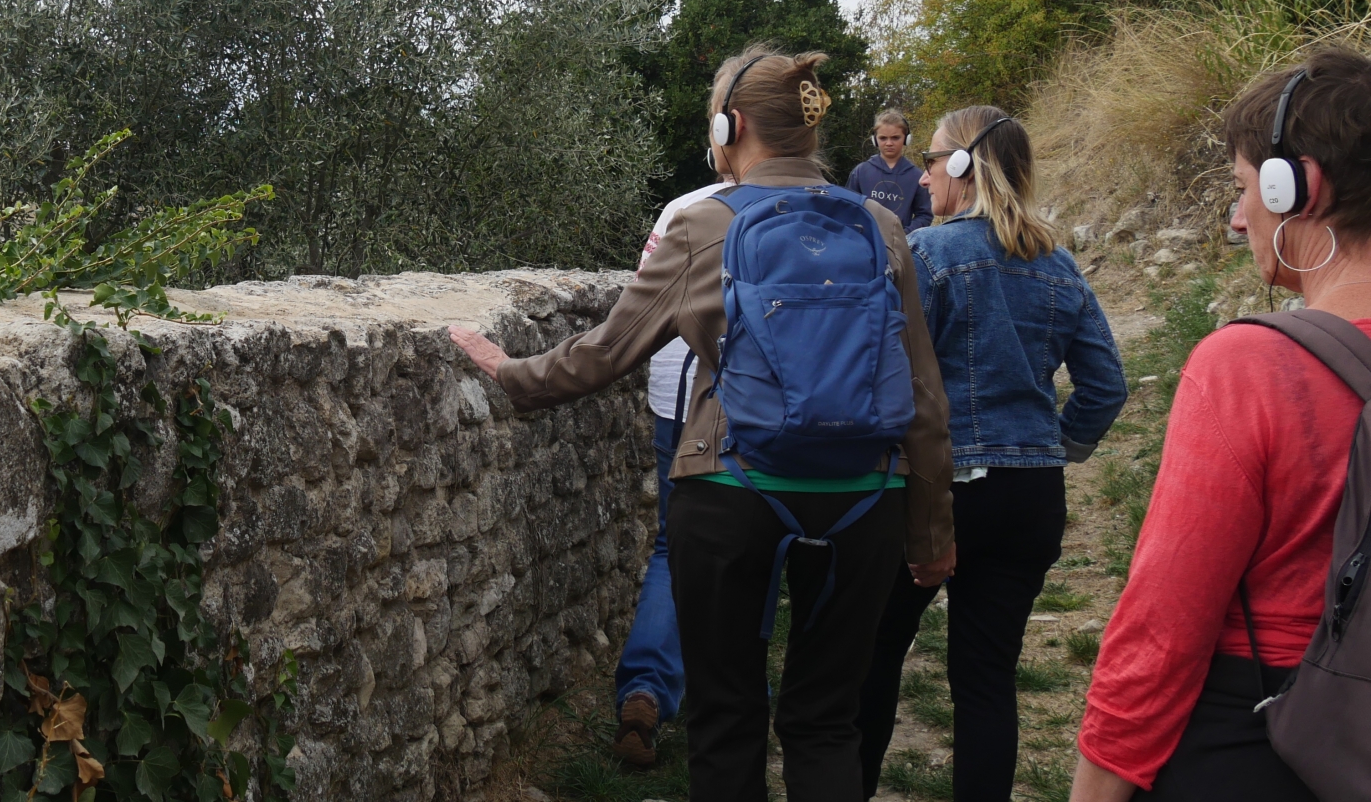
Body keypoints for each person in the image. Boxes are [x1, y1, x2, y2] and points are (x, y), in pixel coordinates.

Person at [451, 46, 956, 802]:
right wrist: (931, 533)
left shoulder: (700, 224)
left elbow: (607, 351)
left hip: (730, 490)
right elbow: (923, 393)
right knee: (827, 722)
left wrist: (509, 372)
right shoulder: (881, 225)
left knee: (726, 717)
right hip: (864, 499)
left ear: (731, 126)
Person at [1074, 47, 1371, 801]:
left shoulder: (1253, 367)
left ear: (1298, 187)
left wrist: (1097, 785)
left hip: (1268, 736)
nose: (1238, 220)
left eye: (1243, 189)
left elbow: (1163, 628)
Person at [853, 107, 1127, 800]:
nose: (923, 176)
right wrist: (1054, 447)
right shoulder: (1059, 264)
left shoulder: (926, 254)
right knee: (986, 679)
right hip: (1030, 497)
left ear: (962, 166)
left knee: (875, 655)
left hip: (937, 490)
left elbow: (881, 371)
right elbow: (1105, 386)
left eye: (931, 160)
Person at [612, 176, 730, 767]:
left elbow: (642, 301)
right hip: (771, 408)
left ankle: (646, 688)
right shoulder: (821, 207)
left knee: (672, 546)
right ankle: (733, 697)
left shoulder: (685, 208)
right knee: (760, 549)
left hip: (678, 400)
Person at [846, 109, 934, 233]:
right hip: (866, 240)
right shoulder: (861, 172)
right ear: (875, 140)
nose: (889, 143)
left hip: (902, 242)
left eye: (895, 138)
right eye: (883, 138)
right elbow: (849, 208)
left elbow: (925, 215)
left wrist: (903, 235)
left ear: (906, 139)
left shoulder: (917, 176)